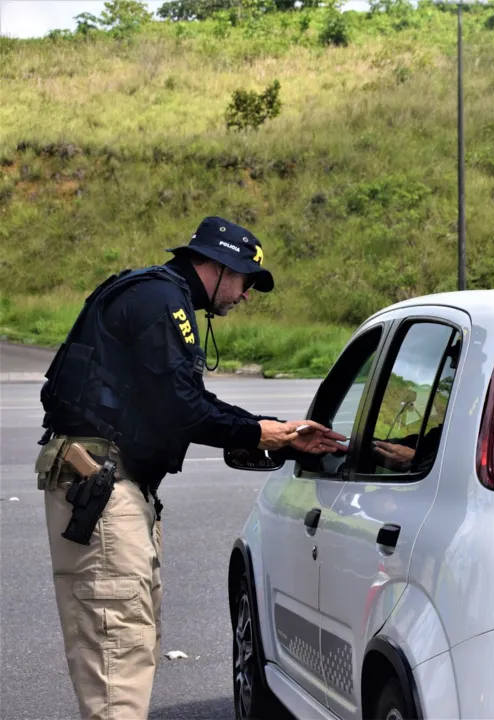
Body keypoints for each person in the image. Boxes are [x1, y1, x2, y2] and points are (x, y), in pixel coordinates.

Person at [33, 216, 347, 720]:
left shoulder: (157, 295)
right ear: (218, 267)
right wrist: (261, 431)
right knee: (119, 659)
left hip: (112, 484)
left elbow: (185, 400)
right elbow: (180, 408)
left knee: (127, 649)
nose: (245, 296)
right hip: (102, 486)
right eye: (245, 280)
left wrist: (268, 429)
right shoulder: (162, 302)